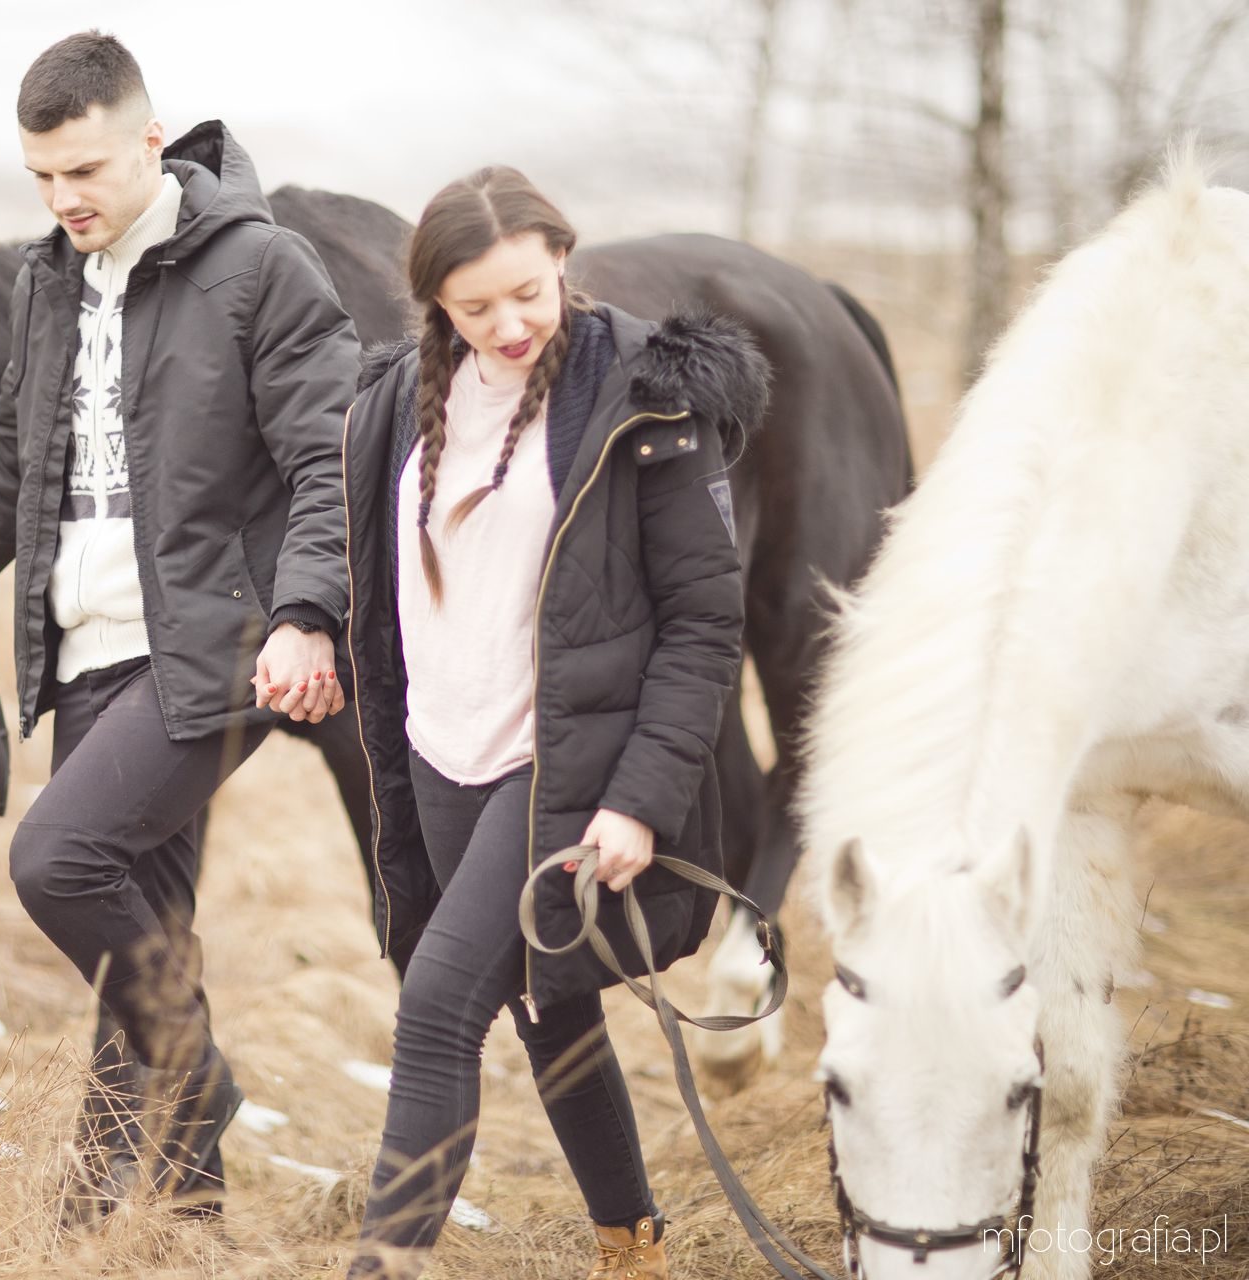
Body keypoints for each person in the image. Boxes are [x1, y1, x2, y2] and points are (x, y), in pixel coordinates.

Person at [0, 31, 356, 1219]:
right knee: (154, 938)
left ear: (149, 138)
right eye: (40, 176)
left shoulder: (260, 268)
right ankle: (166, 1221)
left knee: (59, 859)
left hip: (209, 647)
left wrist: (307, 614)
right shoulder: (49, 278)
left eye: (83, 170)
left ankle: (196, 1086)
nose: (63, 198)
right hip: (82, 647)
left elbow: (330, 454)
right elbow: (13, 459)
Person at [339, 167, 766, 1279]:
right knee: (547, 1002)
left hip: (564, 759)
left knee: (437, 1008)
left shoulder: (644, 393)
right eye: (477, 306)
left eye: (529, 291)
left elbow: (703, 626)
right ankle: (633, 1240)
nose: (511, 323)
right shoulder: (394, 397)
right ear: (436, 303)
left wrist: (637, 799)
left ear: (562, 256)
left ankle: (383, 1263)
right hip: (439, 747)